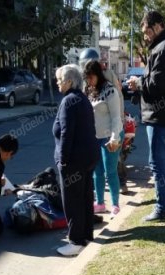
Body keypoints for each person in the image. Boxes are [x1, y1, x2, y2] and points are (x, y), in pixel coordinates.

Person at [127, 10, 165, 222]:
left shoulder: (164, 48)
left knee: (157, 162)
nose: (145, 36)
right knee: (164, 160)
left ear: (158, 26)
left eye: (147, 31)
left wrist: (137, 83)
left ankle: (162, 208)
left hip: (160, 114)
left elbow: (157, 86)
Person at [53, 64, 100, 257]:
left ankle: (75, 241)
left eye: (59, 80)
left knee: (73, 201)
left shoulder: (69, 101)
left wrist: (63, 160)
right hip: (87, 157)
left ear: (70, 82)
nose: (57, 83)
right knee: (85, 198)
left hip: (73, 160)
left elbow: (66, 132)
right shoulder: (82, 99)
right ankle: (86, 234)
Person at [78, 48, 129, 195]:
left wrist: (119, 122)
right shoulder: (85, 79)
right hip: (94, 129)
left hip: (111, 125)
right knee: (96, 165)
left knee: (113, 159)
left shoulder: (108, 75)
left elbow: (118, 97)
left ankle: (122, 183)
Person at [83, 60, 124, 219]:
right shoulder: (87, 90)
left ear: (98, 75)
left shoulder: (110, 91)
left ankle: (115, 204)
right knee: (96, 172)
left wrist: (114, 138)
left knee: (110, 171)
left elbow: (116, 117)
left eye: (91, 77)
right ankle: (99, 203)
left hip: (110, 137)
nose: (89, 80)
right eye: (87, 77)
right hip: (94, 137)